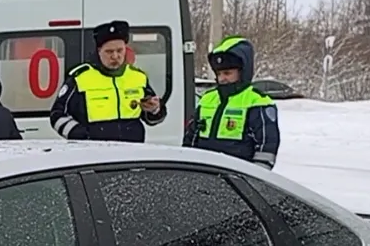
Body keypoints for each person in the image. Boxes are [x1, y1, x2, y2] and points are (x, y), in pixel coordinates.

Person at [49, 20, 166, 142]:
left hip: (133, 153)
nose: (115, 56)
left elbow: (154, 117)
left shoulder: (138, 77)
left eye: (120, 50)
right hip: (96, 154)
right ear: (99, 51)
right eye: (109, 52)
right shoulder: (80, 78)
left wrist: (154, 109)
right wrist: (81, 135)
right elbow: (57, 115)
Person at [186, 36, 280, 168]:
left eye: (227, 73)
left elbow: (267, 145)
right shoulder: (207, 99)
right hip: (204, 172)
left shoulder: (257, 102)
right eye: (219, 73)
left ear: (242, 72)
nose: (222, 78)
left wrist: (256, 177)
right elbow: (191, 138)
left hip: (238, 176)